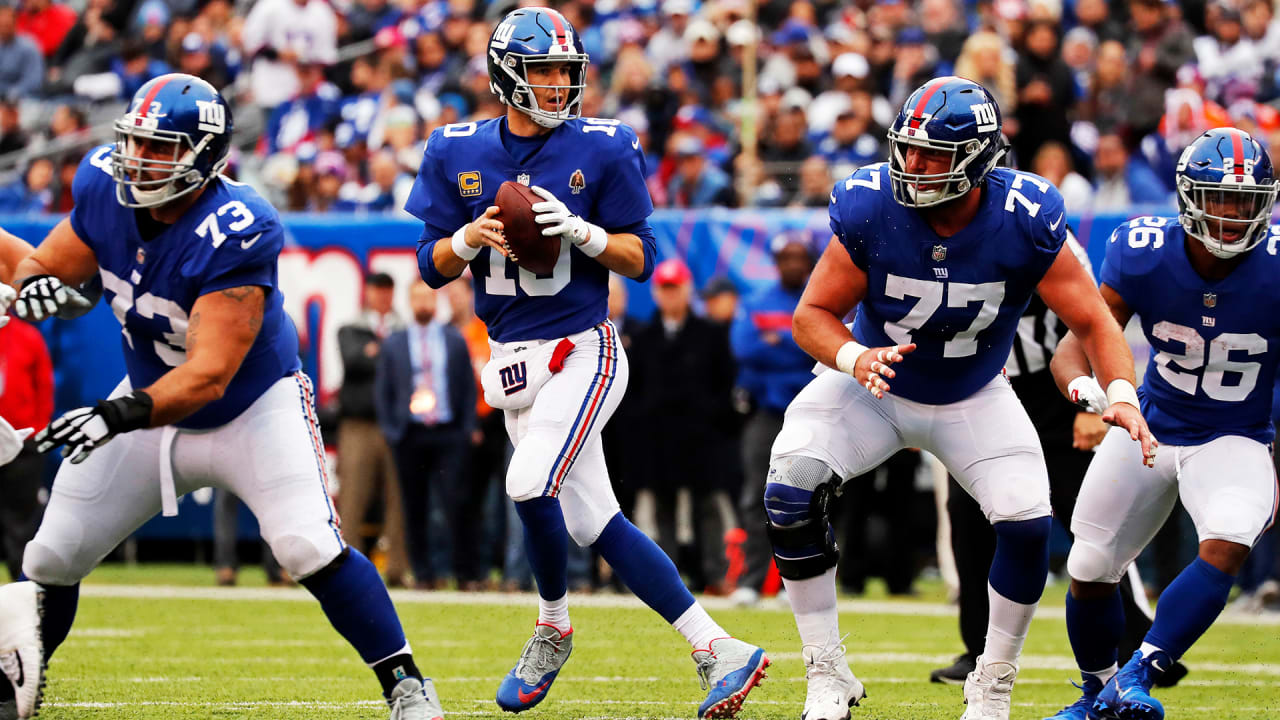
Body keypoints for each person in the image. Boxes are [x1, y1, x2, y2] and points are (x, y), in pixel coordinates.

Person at [0, 74, 443, 720]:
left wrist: (116, 412)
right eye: (135, 144)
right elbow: (51, 266)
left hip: (250, 404)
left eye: (158, 149)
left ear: (203, 157)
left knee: (306, 544)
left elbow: (208, 374)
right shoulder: (102, 187)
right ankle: (16, 684)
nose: (137, 160)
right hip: (150, 394)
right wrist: (43, 286)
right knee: (51, 552)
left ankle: (406, 682)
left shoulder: (237, 227)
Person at [403, 8, 767, 718]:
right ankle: (718, 648)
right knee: (593, 522)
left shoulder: (602, 148)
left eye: (566, 72)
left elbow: (642, 258)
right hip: (513, 363)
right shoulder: (455, 150)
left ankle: (551, 626)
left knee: (528, 482)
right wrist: (469, 239)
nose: (559, 84)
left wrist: (586, 233)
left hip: (583, 352)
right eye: (543, 71)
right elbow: (430, 264)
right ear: (507, 76)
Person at [763, 77, 1155, 720]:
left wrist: (1121, 396)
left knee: (1027, 523)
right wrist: (855, 356)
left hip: (974, 392)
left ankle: (992, 684)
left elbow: (1093, 321)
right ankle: (827, 673)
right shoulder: (871, 205)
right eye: (907, 149)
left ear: (976, 159)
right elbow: (812, 315)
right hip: (875, 385)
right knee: (791, 488)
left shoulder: (1024, 216)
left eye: (931, 155)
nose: (911, 166)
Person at [1045, 127, 1280, 720]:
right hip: (1150, 424)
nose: (1230, 216)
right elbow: (1076, 348)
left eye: (1244, 201)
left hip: (1238, 434)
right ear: (1185, 197)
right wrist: (1092, 398)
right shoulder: (1143, 249)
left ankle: (1139, 672)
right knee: (1090, 563)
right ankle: (1096, 695)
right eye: (1218, 199)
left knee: (1229, 536)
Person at [930, 228, 1184, 688]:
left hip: (1054, 389)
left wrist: (1091, 400)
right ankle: (979, 649)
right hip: (978, 388)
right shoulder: (935, 230)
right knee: (968, 518)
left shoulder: (1035, 226)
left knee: (1089, 518)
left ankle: (1136, 645)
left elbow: (1093, 318)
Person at [628, 259, 737, 593]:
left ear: (688, 292)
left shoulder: (710, 335)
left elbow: (725, 383)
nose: (671, 296)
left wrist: (711, 418)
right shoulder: (644, 338)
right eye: (665, 289)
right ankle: (669, 578)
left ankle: (714, 574)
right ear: (657, 293)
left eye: (676, 289)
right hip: (658, 438)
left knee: (708, 505)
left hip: (700, 437)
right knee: (662, 507)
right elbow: (634, 389)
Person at [730, 234, 817, 607]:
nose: (793, 264)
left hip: (811, 412)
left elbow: (822, 352)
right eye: (786, 257)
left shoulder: (817, 301)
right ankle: (751, 580)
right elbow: (744, 348)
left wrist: (777, 340)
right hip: (767, 411)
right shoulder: (757, 301)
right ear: (776, 261)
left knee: (807, 498)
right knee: (755, 495)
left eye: (799, 257)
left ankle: (796, 583)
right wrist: (795, 345)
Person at [375, 280, 474, 589]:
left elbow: (467, 387)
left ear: (436, 300)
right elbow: (384, 390)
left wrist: (466, 428)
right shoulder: (395, 342)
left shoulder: (453, 339)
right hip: (411, 434)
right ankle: (425, 573)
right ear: (409, 301)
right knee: (414, 505)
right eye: (417, 298)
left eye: (428, 297)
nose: (423, 304)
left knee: (456, 503)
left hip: (447, 432)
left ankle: (464, 572)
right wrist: (393, 430)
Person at [337, 272, 408, 587]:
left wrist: (377, 353)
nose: (382, 297)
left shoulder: (402, 330)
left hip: (394, 422)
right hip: (359, 424)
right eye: (377, 291)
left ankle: (397, 567)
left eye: (387, 291)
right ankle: (345, 567)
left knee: (399, 498)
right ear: (367, 293)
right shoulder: (351, 329)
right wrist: (388, 355)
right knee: (353, 497)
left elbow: (405, 365)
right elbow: (353, 361)